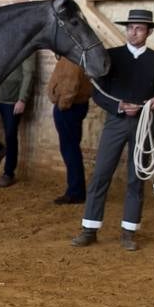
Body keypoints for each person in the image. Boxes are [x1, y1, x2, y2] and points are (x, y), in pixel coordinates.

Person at [71, 8, 154, 252]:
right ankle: (89, 229)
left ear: (149, 32)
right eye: (130, 28)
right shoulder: (112, 57)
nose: (133, 32)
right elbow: (97, 92)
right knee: (101, 174)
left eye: (139, 28)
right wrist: (118, 106)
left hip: (144, 126)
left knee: (136, 177)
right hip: (116, 123)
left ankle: (128, 232)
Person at [0, 54, 36, 188]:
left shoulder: (26, 44)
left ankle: (8, 174)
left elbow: (29, 73)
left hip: (13, 100)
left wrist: (22, 99)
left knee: (11, 135)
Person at [47, 56, 92, 205]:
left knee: (70, 149)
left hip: (69, 108)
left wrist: (62, 105)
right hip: (72, 107)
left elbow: (70, 85)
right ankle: (76, 189)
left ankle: (75, 192)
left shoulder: (71, 59)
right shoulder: (72, 57)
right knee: (71, 148)